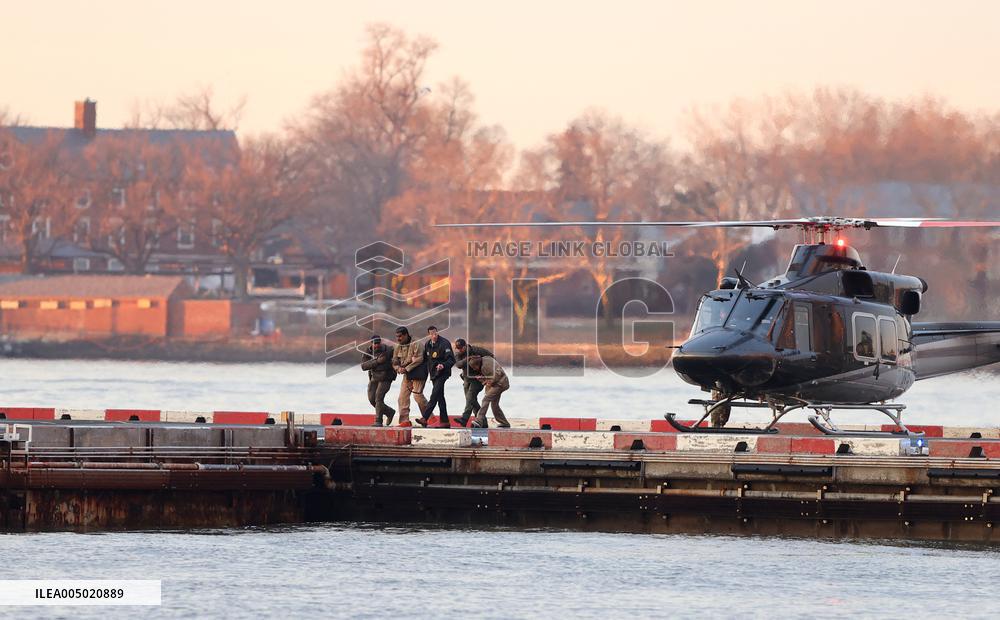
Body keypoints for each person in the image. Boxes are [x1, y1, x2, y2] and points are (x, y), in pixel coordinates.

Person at [416, 325, 455, 427]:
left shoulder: (445, 343)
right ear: (429, 334)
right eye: (432, 334)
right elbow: (425, 360)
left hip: (443, 373)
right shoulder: (428, 344)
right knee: (440, 397)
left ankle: (425, 418)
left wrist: (443, 365)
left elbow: (451, 360)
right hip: (433, 374)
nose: (434, 335)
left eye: (435, 333)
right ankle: (445, 421)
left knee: (434, 396)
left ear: (437, 332)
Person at [452, 338, 494, 427]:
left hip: (477, 380)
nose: (459, 350)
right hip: (466, 380)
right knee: (471, 401)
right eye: (458, 348)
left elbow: (492, 357)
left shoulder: (477, 350)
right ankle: (482, 422)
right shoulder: (458, 354)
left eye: (460, 348)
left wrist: (484, 369)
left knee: (470, 398)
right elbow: (458, 365)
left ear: (465, 346)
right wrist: (468, 359)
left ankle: (464, 419)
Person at [391, 326, 427, 427]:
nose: (398, 339)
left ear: (406, 335)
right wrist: (398, 368)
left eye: (400, 336)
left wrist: (406, 368)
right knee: (402, 397)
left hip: (418, 374)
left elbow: (419, 359)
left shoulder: (417, 343)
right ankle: (405, 421)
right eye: (397, 336)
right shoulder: (398, 346)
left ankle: (429, 418)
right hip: (406, 375)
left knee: (418, 396)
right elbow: (394, 360)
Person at [360, 334, 396, 426]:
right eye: (375, 343)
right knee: (372, 399)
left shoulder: (388, 350)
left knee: (378, 398)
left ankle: (378, 421)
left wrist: (394, 363)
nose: (377, 345)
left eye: (378, 343)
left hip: (386, 377)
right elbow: (363, 366)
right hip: (374, 377)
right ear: (371, 343)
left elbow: (396, 358)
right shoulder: (368, 351)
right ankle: (389, 412)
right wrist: (377, 361)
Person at [467, 355, 511, 429]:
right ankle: (504, 423)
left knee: (486, 399)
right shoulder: (485, 359)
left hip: (500, 384)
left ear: (477, 364)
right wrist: (483, 379)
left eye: (474, 367)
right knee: (494, 405)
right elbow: (491, 376)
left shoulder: (485, 367)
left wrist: (484, 381)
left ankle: (479, 420)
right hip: (500, 382)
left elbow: (496, 376)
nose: (474, 369)